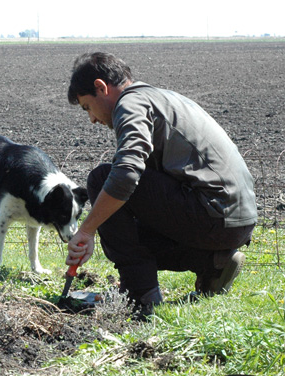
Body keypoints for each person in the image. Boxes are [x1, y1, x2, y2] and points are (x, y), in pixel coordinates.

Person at [65, 52, 257, 317]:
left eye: (87, 107)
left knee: (102, 179)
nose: (92, 119)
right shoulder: (160, 97)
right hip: (236, 221)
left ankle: (140, 296)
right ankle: (212, 263)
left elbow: (127, 173)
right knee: (126, 222)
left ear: (101, 87)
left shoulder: (129, 104)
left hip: (212, 213)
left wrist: (86, 231)